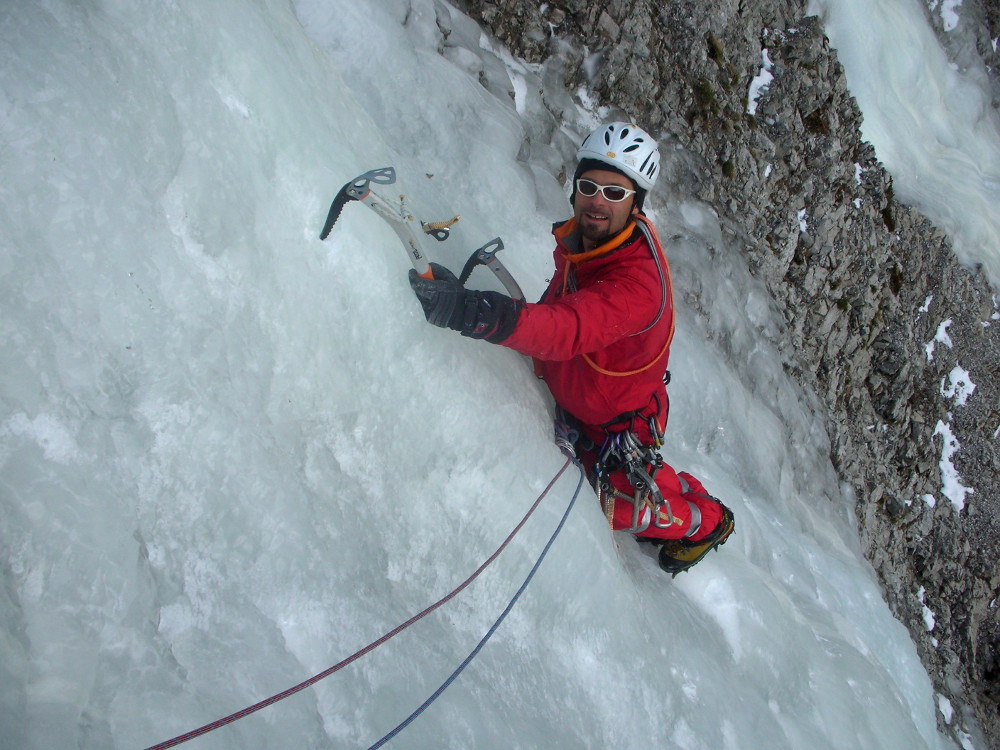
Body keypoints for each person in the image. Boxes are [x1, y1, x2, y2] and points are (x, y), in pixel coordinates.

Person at [408, 121, 734, 575]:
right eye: (589, 185)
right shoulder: (591, 243)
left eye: (615, 193)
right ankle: (677, 488)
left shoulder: (636, 283)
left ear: (636, 204)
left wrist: (473, 311)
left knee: (619, 508)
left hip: (615, 425)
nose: (598, 201)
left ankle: (706, 522)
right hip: (585, 392)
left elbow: (569, 328)